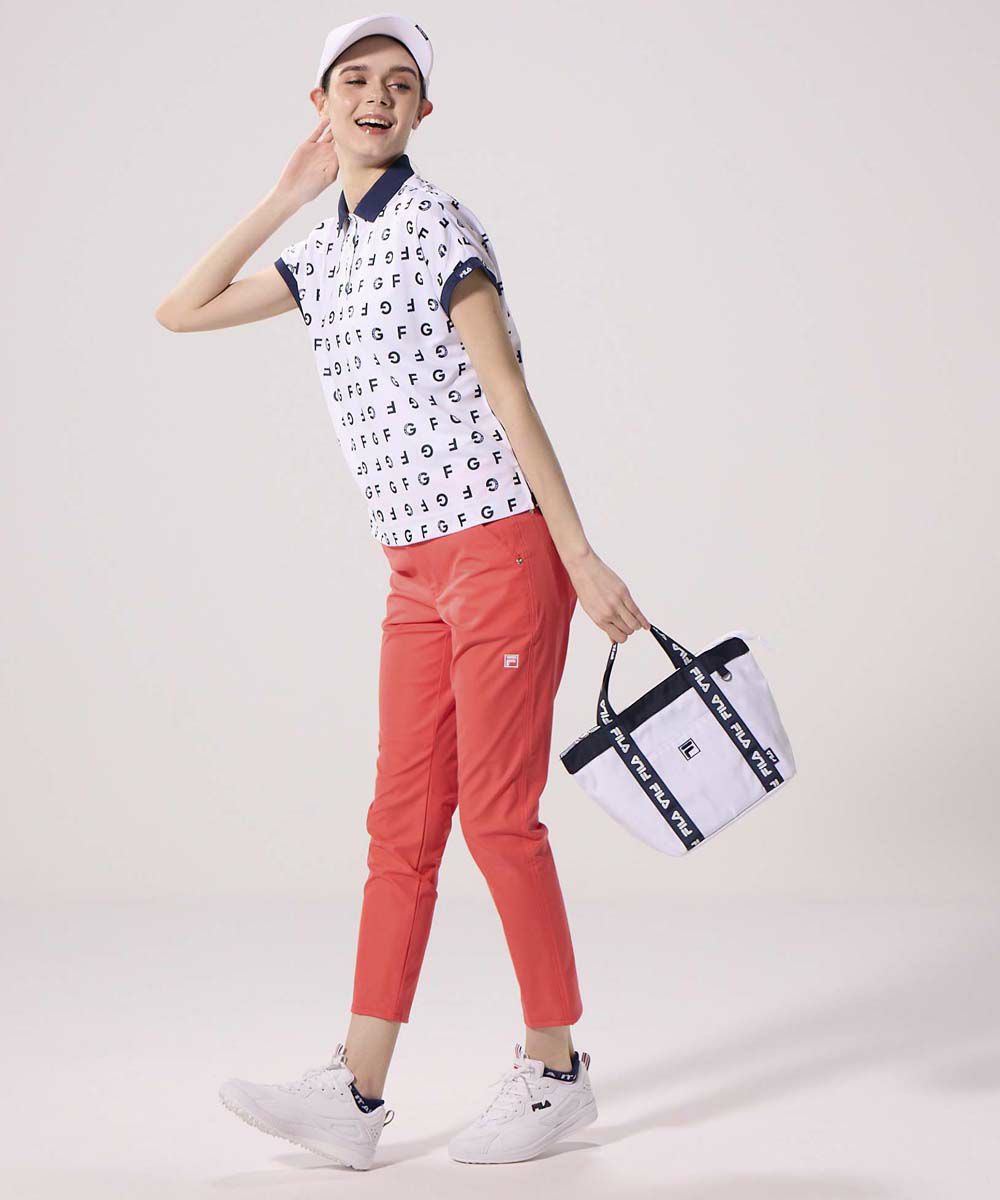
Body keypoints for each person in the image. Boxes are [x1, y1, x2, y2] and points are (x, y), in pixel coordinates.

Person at [155, 13, 649, 1169]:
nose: (376, 97)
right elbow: (180, 309)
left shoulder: (435, 223)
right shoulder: (322, 251)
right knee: (402, 825)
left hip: (502, 551)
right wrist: (285, 195)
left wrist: (578, 554)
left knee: (497, 818)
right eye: (354, 80)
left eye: (398, 83)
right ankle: (356, 1090)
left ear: (425, 111)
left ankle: (557, 1072)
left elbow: (509, 392)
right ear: (320, 102)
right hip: (415, 570)